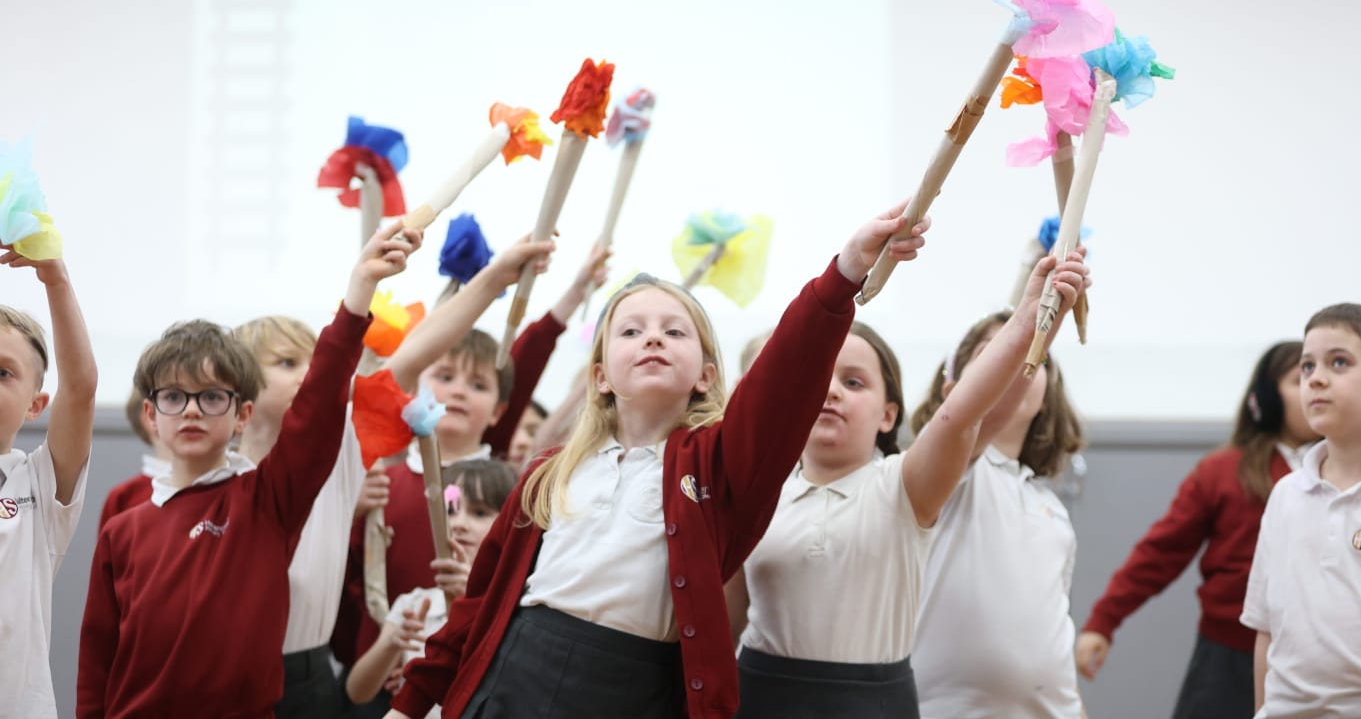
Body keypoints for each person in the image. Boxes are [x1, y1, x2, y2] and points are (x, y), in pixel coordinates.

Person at [385, 202, 930, 719]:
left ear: (706, 376)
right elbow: (477, 604)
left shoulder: (717, 469)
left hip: (633, 690)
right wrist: (409, 704)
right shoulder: (548, 472)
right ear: (600, 376)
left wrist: (845, 272)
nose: (652, 338)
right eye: (630, 330)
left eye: (674, 331)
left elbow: (783, 380)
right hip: (516, 675)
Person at [76, 221, 419, 718]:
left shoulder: (266, 501)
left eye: (212, 397)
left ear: (242, 414)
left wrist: (359, 290)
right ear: (150, 414)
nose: (192, 410)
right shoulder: (122, 530)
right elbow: (97, 659)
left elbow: (319, 404)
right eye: (174, 397)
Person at [728, 252, 1089, 718]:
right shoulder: (758, 496)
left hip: (869, 702)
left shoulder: (901, 488)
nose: (831, 391)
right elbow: (725, 624)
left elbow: (966, 414)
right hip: (762, 696)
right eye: (818, 377)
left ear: (888, 414)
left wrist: (1032, 320)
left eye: (854, 382)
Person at [339, 237, 562, 694]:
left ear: (500, 409)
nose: (458, 392)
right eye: (443, 377)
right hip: (376, 670)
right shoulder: (383, 480)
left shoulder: (507, 490)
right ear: (416, 386)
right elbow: (350, 577)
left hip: (467, 673)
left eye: (477, 384)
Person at [1078, 341, 1315, 719]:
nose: (1315, 385)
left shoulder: (1343, 474)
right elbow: (1159, 554)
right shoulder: (1222, 471)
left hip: (1315, 659)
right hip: (1226, 659)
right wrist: (1103, 621)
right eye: (1300, 375)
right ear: (1267, 397)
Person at [908, 310, 1086, 718]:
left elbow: (1052, 642)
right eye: (995, 353)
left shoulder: (1053, 510)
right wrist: (1037, 311)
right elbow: (976, 411)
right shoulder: (952, 471)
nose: (1018, 362)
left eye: (1037, 358)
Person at [232, 314, 365, 719]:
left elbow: (412, 359)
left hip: (306, 677)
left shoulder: (337, 443)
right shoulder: (215, 471)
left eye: (314, 363)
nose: (308, 375)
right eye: (288, 363)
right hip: (224, 672)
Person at [1242, 305, 1361, 717]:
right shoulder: (1285, 495)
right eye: (1307, 366)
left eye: (1339, 362)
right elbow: (1266, 630)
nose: (1315, 378)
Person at [0, 250, 97, 719]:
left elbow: (79, 389)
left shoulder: (37, 483)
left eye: (2, 372)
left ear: (35, 405)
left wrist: (55, 279)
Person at [347, 459, 518, 714]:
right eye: (450, 510)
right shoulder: (415, 604)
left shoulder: (515, 611)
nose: (458, 523)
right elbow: (357, 692)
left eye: (479, 512)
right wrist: (392, 642)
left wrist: (473, 603)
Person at [97, 388, 171, 529]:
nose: (192, 409)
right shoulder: (123, 497)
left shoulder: (222, 490)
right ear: (150, 417)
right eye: (174, 398)